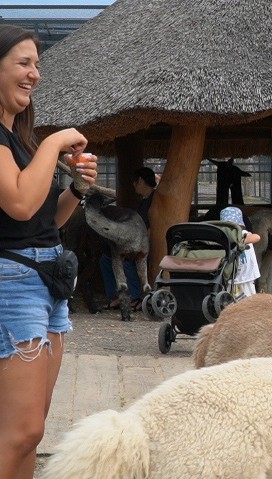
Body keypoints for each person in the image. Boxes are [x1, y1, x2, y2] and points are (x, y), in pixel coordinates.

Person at [0, 24, 99, 479]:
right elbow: (19, 203)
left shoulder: (21, 139)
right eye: (24, 62)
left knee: (32, 432)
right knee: (18, 432)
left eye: (37, 64)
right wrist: (58, 141)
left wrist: (77, 188)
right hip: (12, 284)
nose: (34, 73)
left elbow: (45, 221)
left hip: (47, 280)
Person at [99, 166, 157, 310]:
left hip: (142, 245)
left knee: (127, 262)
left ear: (141, 181)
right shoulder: (143, 201)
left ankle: (135, 297)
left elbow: (150, 227)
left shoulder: (154, 200)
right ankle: (117, 296)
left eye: (135, 181)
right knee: (105, 260)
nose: (133, 185)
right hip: (131, 241)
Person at [219, 206, 261, 297]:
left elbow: (257, 237)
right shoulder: (223, 237)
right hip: (230, 278)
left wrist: (239, 242)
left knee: (248, 301)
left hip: (246, 276)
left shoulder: (243, 234)